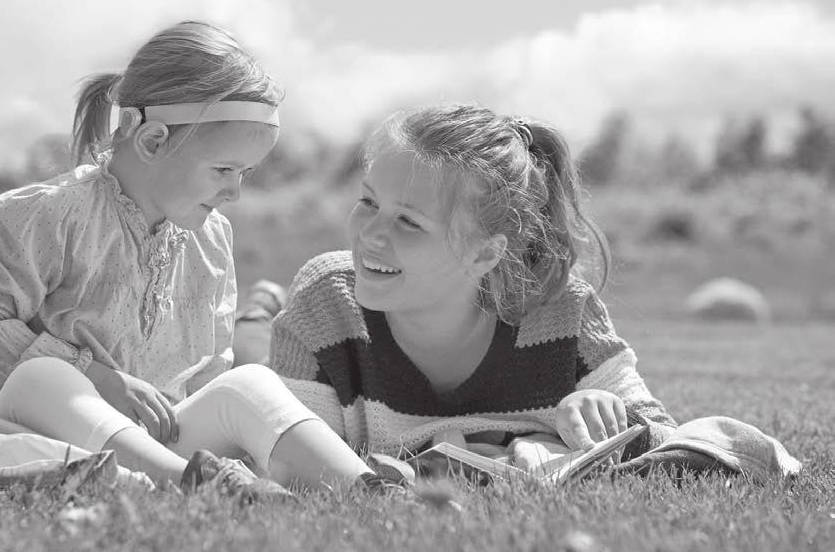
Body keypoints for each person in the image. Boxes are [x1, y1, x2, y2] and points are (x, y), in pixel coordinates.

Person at [0, 21, 384, 499]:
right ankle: (198, 485)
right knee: (44, 375)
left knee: (247, 381)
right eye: (224, 170)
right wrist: (96, 378)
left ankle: (364, 488)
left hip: (139, 449)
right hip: (17, 435)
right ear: (152, 141)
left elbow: (209, 369)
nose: (236, 190)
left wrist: (220, 429)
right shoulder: (55, 212)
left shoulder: (210, 239)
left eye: (245, 172)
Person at [262, 104, 678, 465]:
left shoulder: (561, 310)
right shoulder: (326, 302)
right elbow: (288, 450)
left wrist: (613, 417)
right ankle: (260, 309)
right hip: (285, 328)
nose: (369, 233)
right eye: (368, 202)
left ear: (483, 254)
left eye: (408, 221)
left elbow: (671, 440)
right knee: (251, 356)